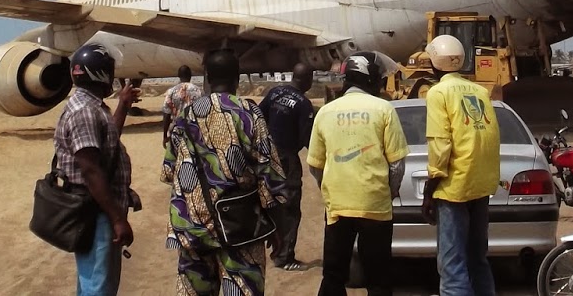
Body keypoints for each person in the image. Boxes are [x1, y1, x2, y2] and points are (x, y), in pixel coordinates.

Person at [162, 49, 285, 296]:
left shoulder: (186, 116)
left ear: (207, 77)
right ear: (237, 78)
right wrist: (277, 225)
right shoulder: (249, 113)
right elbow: (269, 173)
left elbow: (169, 171)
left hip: (191, 227)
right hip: (240, 227)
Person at [309, 52, 408, 296]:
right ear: (370, 79)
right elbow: (397, 164)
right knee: (378, 277)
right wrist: (390, 191)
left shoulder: (325, 112)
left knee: (333, 275)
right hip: (375, 205)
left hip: (338, 207)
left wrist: (330, 187)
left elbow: (315, 165)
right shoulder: (384, 109)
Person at [53, 43, 140, 296]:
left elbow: (107, 145)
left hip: (98, 208)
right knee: (98, 287)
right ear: (101, 75)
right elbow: (91, 169)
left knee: (94, 283)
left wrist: (122, 105)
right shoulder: (86, 112)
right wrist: (117, 219)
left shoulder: (90, 107)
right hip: (97, 211)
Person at [421, 35, 503, 296]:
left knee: (452, 264)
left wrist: (430, 187)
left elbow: (440, 143)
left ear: (434, 63)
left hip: (453, 188)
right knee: (478, 259)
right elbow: (489, 136)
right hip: (481, 186)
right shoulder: (480, 91)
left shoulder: (438, 93)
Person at [259, 62, 316, 272]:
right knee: (290, 207)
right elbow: (306, 137)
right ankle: (284, 257)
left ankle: (273, 247)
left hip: (267, 156)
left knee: (270, 201)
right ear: (307, 80)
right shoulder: (304, 104)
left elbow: (259, 116)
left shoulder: (274, 92)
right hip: (287, 158)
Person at [162, 65, 202, 145]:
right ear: (190, 75)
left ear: (179, 76)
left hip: (176, 130)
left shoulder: (171, 91)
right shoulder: (199, 91)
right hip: (194, 130)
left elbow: (166, 114)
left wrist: (165, 135)